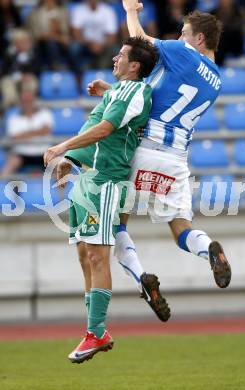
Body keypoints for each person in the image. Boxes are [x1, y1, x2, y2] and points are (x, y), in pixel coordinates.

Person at [89, 2, 232, 298]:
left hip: (143, 148)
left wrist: (130, 11)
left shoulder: (184, 54)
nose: (180, 39)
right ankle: (208, 249)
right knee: (182, 230)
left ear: (199, 39)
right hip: (177, 158)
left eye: (184, 33)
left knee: (116, 222)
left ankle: (141, 277)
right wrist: (113, 91)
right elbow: (161, 93)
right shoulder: (217, 80)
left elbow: (139, 42)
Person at [44, 37, 159, 364]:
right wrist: (73, 163)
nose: (114, 57)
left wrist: (61, 147)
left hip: (107, 181)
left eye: (120, 55)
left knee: (97, 256)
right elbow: (95, 124)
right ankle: (94, 330)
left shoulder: (136, 92)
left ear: (134, 65)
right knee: (84, 255)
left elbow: (106, 129)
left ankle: (96, 332)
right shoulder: (117, 92)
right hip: (88, 179)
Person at [1, 88, 53, 177]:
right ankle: (1, 189)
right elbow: (15, 137)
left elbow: (46, 130)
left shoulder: (45, 113)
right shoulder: (13, 118)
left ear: (34, 100)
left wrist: (24, 134)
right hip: (22, 153)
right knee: (9, 165)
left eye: (29, 100)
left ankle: (63, 191)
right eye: (24, 100)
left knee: (59, 166)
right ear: (20, 102)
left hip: (43, 152)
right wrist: (38, 131)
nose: (27, 103)